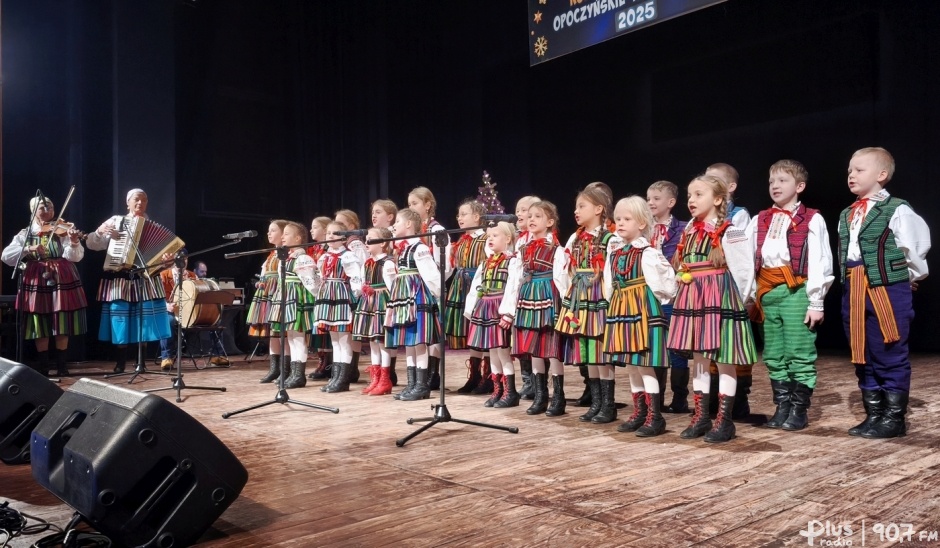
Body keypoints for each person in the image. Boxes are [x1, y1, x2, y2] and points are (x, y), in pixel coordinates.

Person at [838, 147, 930, 438]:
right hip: (854, 287)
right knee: (861, 350)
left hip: (886, 289)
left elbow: (915, 248)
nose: (852, 175)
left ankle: (894, 418)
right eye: (850, 170)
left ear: (882, 175)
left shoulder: (897, 209)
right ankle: (874, 414)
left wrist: (905, 277)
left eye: (859, 170)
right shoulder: (847, 213)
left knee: (889, 350)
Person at [667, 175, 757, 443]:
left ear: (718, 199)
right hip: (694, 297)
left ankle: (725, 420)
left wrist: (740, 304)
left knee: (724, 358)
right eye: (689, 196)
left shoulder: (731, 231)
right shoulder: (689, 232)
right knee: (700, 360)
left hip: (720, 298)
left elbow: (744, 270)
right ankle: (702, 415)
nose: (691, 200)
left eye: (698, 194)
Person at [745, 160, 833, 431]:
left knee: (798, 350)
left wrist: (816, 300)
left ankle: (798, 409)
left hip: (797, 290)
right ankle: (782, 406)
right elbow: (747, 261)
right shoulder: (759, 219)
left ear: (799, 186)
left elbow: (821, 260)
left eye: (782, 180)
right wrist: (748, 297)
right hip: (767, 291)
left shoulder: (812, 218)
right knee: (773, 354)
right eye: (772, 181)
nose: (775, 186)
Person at [604, 196, 677, 436]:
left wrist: (651, 300)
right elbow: (609, 284)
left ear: (642, 223)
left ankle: (655, 416)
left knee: (645, 365)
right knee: (631, 365)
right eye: (618, 219)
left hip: (642, 310)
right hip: (622, 310)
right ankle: (640, 412)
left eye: (627, 219)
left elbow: (666, 283)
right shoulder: (615, 252)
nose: (621, 223)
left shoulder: (648, 253)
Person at [85, 189, 172, 373]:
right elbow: (92, 244)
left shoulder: (150, 226)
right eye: (136, 200)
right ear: (128, 203)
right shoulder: (115, 221)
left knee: (145, 319)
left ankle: (142, 362)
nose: (140, 203)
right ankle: (121, 361)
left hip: (144, 279)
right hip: (121, 276)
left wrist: (165, 261)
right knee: (120, 319)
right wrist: (100, 232)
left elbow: (158, 264)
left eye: (144, 200)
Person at [1, 196, 88, 376]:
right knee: (39, 321)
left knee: (61, 319)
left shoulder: (62, 229)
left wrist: (73, 241)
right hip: (36, 277)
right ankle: (44, 367)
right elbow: (6, 256)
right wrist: (28, 249)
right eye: (42, 206)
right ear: (33, 211)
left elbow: (75, 257)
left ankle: (62, 366)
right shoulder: (25, 233)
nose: (47, 209)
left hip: (61, 278)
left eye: (50, 206)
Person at [555, 185, 615, 423]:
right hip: (580, 294)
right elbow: (567, 269)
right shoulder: (575, 237)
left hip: (599, 293)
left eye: (582, 206)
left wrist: (608, 300)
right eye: (576, 207)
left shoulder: (610, 238)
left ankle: (608, 404)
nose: (576, 211)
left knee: (601, 349)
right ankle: (596, 401)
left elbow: (610, 272)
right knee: (587, 350)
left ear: (599, 209)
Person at [704, 162, 754, 419]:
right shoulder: (700, 221)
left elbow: (743, 260)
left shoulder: (739, 217)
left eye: (713, 179)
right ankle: (713, 400)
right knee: (712, 348)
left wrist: (744, 296)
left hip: (730, 289)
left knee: (733, 349)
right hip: (708, 292)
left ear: (729, 187)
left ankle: (739, 401)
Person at [511, 200, 567, 416]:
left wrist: (566, 306)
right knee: (533, 347)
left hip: (547, 296)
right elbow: (517, 279)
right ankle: (540, 395)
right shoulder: (522, 249)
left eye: (538, 216)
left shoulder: (556, 249)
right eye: (530, 216)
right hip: (528, 296)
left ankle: (558, 397)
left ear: (550, 222)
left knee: (551, 348)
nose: (532, 219)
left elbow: (562, 280)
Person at [385, 208, 442, 401]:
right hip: (403, 297)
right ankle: (411, 384)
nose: (394, 226)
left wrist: (436, 296)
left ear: (409, 224)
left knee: (419, 342)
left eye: (397, 222)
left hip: (417, 296)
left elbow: (432, 275)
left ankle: (421, 385)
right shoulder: (401, 249)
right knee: (409, 342)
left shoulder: (419, 248)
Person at [464, 222, 522, 408]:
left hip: (499, 307)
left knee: (503, 352)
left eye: (495, 235)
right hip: (485, 308)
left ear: (508, 239)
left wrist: (508, 313)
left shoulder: (512, 261)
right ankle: (497, 389)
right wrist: (473, 309)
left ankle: (510, 392)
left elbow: (513, 288)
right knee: (492, 352)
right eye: (489, 236)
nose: (490, 239)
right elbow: (477, 288)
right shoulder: (486, 263)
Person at [647, 180, 690, 413]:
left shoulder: (683, 229)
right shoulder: (644, 229)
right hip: (650, 296)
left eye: (656, 198)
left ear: (671, 202)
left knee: (677, 347)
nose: (651, 202)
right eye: (649, 198)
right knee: (655, 347)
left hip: (674, 295)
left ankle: (680, 398)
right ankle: (656, 397)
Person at [310, 221, 364, 393]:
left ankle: (343, 379)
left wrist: (356, 297)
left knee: (344, 340)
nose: (331, 236)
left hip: (341, 296)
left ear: (344, 237)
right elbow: (319, 278)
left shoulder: (348, 256)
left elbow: (356, 277)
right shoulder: (324, 257)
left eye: (335, 233)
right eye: (328, 233)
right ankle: (336, 377)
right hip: (327, 296)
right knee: (335, 340)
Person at [443, 199, 489, 393]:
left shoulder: (486, 238)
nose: (459, 218)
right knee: (469, 331)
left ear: (477, 217)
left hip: (477, 287)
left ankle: (489, 377)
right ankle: (475, 376)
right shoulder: (461, 241)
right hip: (461, 287)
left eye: (464, 214)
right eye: (458, 215)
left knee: (482, 330)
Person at [266, 221, 317, 388]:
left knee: (298, 338)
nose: (283, 237)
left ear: (298, 237)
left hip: (297, 300)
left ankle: (299, 375)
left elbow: (312, 283)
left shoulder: (302, 258)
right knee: (292, 337)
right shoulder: (288, 257)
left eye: (287, 234)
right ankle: (294, 373)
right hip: (286, 299)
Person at [408, 186, 449, 390]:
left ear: (428, 205)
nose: (411, 208)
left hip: (432, 286)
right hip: (416, 287)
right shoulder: (415, 233)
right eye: (409, 205)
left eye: (415, 203)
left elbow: (445, 263)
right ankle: (424, 376)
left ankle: (434, 374)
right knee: (422, 333)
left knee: (433, 332)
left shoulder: (436, 230)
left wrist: (437, 285)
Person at [353, 227, 397, 395]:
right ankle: (376, 378)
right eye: (367, 239)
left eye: (371, 239)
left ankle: (385, 379)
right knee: (372, 341)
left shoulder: (388, 263)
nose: (367, 242)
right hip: (369, 302)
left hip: (381, 302)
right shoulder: (368, 263)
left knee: (382, 341)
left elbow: (393, 287)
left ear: (383, 243)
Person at [247, 220, 289, 383]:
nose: (269, 234)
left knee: (281, 333)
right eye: (268, 231)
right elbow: (265, 271)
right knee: (272, 333)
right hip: (268, 292)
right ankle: (274, 369)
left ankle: (286, 369)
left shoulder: (285, 253)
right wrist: (262, 281)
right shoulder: (272, 253)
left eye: (273, 230)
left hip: (278, 291)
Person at [511, 194, 541, 400]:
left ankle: (539, 383)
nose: (519, 214)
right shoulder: (519, 239)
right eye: (518, 210)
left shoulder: (544, 240)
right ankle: (527, 381)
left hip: (536, 292)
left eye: (524, 210)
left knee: (535, 340)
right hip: (519, 293)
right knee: (521, 339)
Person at [334, 209, 368, 384]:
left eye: (342, 224)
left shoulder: (355, 246)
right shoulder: (340, 247)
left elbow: (362, 266)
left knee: (352, 334)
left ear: (353, 226)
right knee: (349, 334)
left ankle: (350, 370)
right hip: (343, 290)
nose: (338, 227)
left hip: (354, 291)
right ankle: (348, 370)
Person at [306, 216, 333, 380]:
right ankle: (321, 362)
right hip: (315, 291)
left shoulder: (328, 249)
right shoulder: (314, 249)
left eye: (315, 227)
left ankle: (329, 364)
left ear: (325, 230)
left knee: (327, 331)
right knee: (318, 331)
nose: (311, 230)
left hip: (327, 291)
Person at [158, 252, 195, 370]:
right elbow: (156, 297)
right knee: (168, 321)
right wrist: (166, 305)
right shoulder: (163, 275)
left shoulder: (192, 276)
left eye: (184, 260)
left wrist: (188, 283)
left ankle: (217, 354)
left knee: (212, 319)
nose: (181, 263)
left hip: (188, 311)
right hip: (170, 311)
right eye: (179, 260)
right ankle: (166, 357)